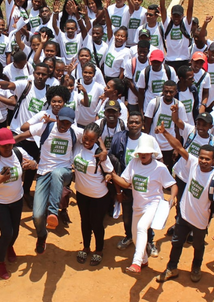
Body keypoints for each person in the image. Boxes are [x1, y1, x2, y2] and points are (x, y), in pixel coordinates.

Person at [13, 106, 81, 254]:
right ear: (56, 119)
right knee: (37, 216)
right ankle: (42, 235)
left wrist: (101, 151)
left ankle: (53, 213)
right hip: (43, 172)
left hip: (64, 172)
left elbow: (93, 135)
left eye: (67, 123)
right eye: (61, 122)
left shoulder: (75, 132)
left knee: (57, 173)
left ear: (72, 124)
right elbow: (22, 135)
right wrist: (5, 144)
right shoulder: (45, 127)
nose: (64, 126)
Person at [154, 124, 214, 283]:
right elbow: (179, 147)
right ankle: (171, 268)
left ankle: (196, 268)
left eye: (207, 159)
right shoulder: (194, 163)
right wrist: (165, 132)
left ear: (213, 161)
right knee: (176, 242)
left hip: (201, 221)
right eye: (201, 157)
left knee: (198, 246)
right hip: (184, 214)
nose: (203, 161)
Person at [108, 132, 175, 273]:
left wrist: (172, 198)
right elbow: (126, 183)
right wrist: (113, 175)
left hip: (153, 204)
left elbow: (173, 185)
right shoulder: (134, 163)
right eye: (141, 152)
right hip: (137, 206)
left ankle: (136, 262)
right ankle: (144, 259)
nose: (143, 155)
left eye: (146, 152)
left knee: (141, 227)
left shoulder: (160, 168)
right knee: (135, 235)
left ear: (152, 153)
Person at [0, 128, 37, 279]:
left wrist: (32, 164)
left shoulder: (18, 153)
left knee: (15, 231)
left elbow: (34, 163)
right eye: (4, 145)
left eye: (10, 144)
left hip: (17, 199)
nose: (8, 148)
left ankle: (9, 247)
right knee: (7, 232)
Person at [70, 123, 113, 266]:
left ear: (96, 140)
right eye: (85, 138)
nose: (87, 142)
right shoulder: (77, 146)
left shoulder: (100, 154)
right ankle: (86, 247)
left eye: (91, 140)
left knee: (96, 223)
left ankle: (99, 250)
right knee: (84, 221)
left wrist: (107, 175)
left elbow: (110, 172)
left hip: (98, 196)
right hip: (81, 193)